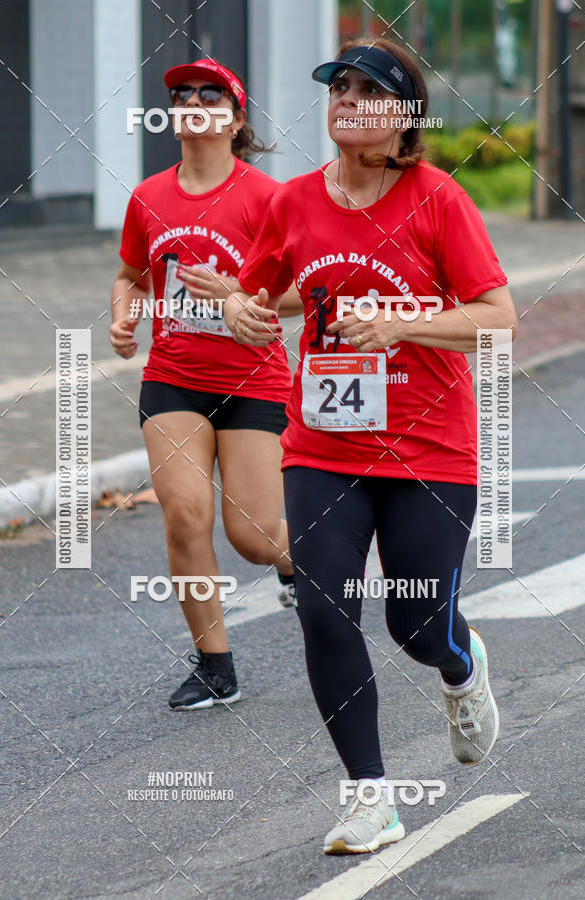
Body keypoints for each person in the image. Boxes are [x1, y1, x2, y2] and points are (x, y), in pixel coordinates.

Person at [225, 38, 517, 853]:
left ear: (403, 123)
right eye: (338, 86)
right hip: (321, 443)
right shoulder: (292, 202)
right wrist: (247, 314)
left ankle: (462, 666)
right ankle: (371, 799)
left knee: (418, 626)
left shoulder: (437, 200)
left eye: (369, 89)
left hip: (429, 448)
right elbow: (264, 293)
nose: (347, 97)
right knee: (322, 609)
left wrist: (401, 323)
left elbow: (498, 317)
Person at [109, 58, 300, 711]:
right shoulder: (148, 197)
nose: (192, 101)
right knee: (185, 514)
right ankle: (216, 667)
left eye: (210, 95)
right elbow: (133, 273)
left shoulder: (268, 199)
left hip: (254, 380)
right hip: (173, 378)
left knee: (253, 536)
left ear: (236, 117)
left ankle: (294, 562)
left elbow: (306, 289)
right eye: (182, 94)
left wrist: (241, 295)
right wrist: (124, 315)